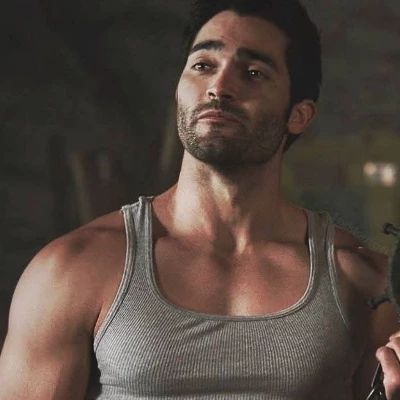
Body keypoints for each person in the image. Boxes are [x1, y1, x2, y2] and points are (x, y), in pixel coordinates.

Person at [0, 0, 399, 398]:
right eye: (203, 65)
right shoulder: (72, 269)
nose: (219, 88)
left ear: (299, 115)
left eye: (254, 73)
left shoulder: (362, 281)